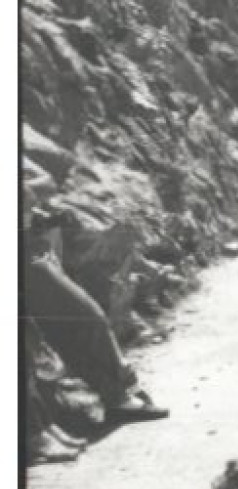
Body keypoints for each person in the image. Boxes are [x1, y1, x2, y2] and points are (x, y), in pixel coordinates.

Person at [22, 185, 168, 442]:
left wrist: (36, 217)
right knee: (86, 318)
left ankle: (118, 394)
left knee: (69, 329)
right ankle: (118, 397)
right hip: (24, 255)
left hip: (32, 245)